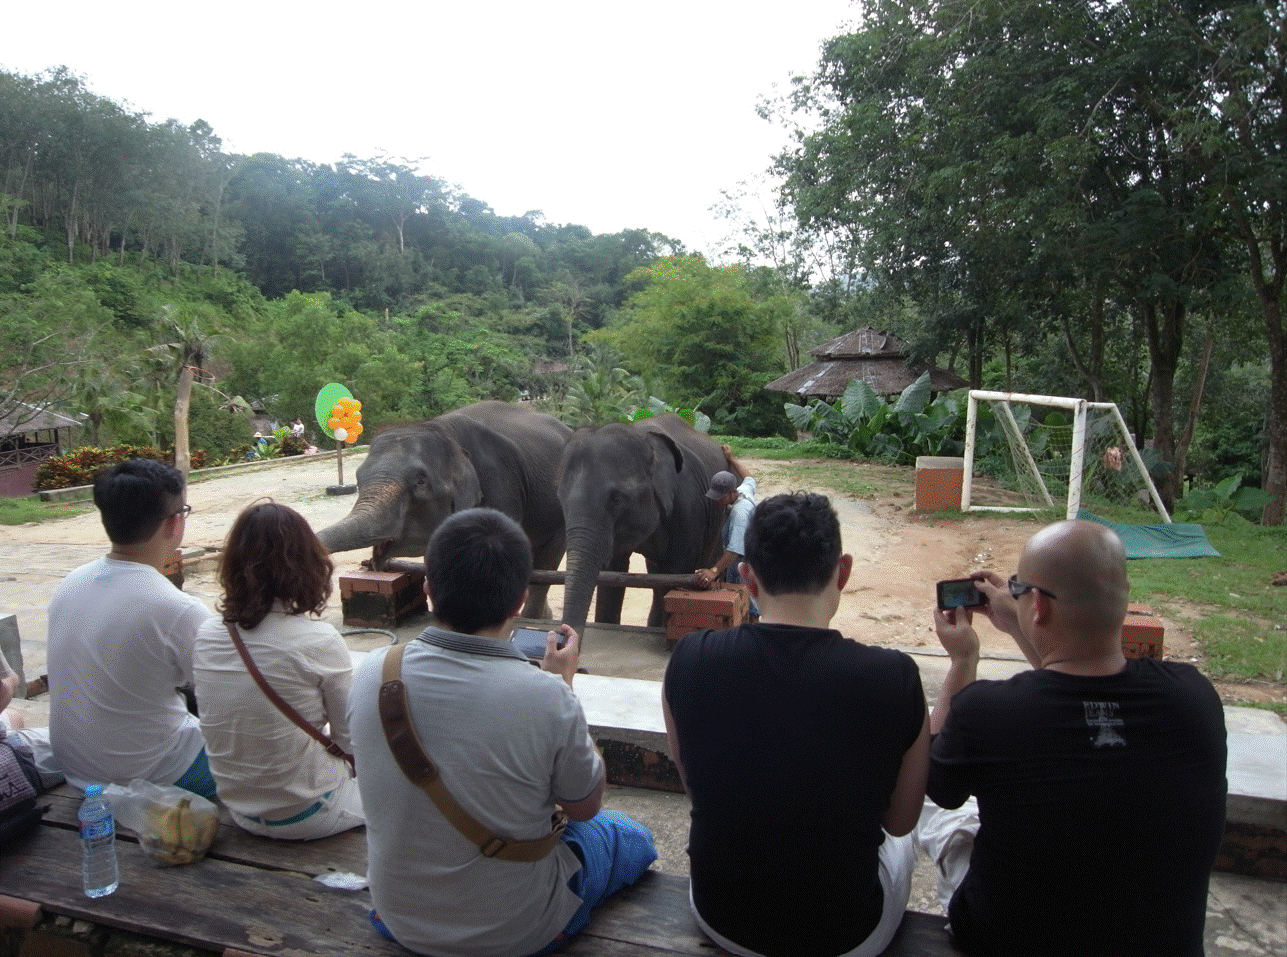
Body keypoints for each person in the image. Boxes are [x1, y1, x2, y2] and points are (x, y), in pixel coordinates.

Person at [349, 507, 657, 957]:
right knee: (628, 835)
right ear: (518, 601)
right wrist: (564, 684)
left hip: (400, 919)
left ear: (430, 590)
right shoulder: (545, 696)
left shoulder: (372, 671)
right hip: (515, 933)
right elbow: (586, 806)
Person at [918, 519, 1227, 957]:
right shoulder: (1194, 697)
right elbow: (1071, 689)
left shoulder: (988, 711)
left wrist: (963, 659)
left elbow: (938, 785)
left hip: (1002, 940)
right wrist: (1020, 623)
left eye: (1019, 589)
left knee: (950, 810)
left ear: (1039, 606)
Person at [665, 492, 930, 957]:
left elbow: (694, 785)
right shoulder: (893, 676)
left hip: (721, 916)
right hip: (847, 936)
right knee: (901, 846)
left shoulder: (690, 659)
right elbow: (902, 820)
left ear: (747, 577)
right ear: (842, 571)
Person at [47, 458, 217, 797]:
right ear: (173, 524)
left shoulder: (70, 584)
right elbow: (224, 693)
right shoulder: (177, 609)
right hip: (153, 776)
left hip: (77, 771)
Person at [193, 501, 364, 840]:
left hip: (240, 809)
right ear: (308, 564)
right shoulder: (318, 640)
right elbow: (351, 742)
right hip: (310, 812)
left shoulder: (208, 634)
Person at [695, 446, 759, 617]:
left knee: (747, 608)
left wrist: (713, 572)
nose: (717, 500)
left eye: (720, 496)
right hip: (751, 558)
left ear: (732, 492)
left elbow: (734, 549)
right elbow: (749, 477)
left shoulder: (740, 513)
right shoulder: (744, 491)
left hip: (744, 565)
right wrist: (731, 458)